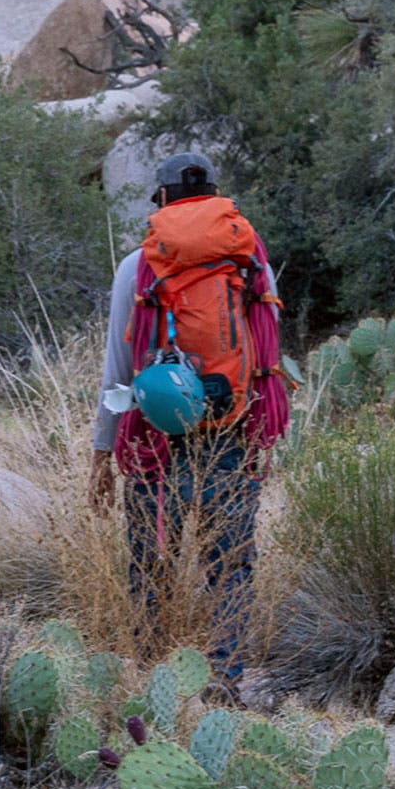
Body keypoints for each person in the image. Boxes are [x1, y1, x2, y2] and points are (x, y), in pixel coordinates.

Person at [91, 152, 289, 685]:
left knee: (151, 564)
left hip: (155, 439)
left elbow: (119, 362)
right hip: (232, 434)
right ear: (216, 195)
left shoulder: (139, 266)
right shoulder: (251, 260)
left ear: (161, 198)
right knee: (230, 567)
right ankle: (224, 680)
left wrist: (101, 452)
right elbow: (266, 353)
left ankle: (152, 678)